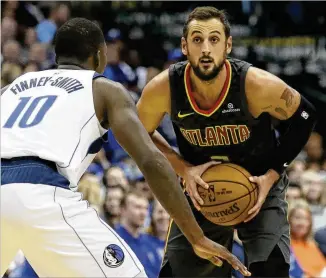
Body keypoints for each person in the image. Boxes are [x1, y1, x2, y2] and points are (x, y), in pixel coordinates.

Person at [0, 18, 249, 277]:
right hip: (41, 192)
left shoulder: (10, 89)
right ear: (99, 55)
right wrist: (196, 236)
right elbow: (150, 160)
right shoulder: (103, 88)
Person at [137, 6, 317, 277]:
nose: (206, 49)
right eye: (197, 40)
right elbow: (138, 133)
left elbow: (305, 115)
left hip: (258, 184)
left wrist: (272, 174)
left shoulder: (254, 84)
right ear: (185, 46)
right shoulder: (164, 89)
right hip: (202, 189)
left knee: (271, 269)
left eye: (214, 39)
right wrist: (182, 168)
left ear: (228, 45)